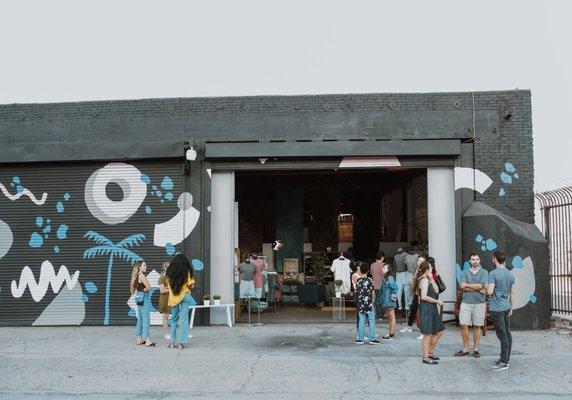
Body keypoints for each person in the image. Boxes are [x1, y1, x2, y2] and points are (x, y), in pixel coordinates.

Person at [455, 253, 488, 358]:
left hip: (479, 303)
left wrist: (468, 285)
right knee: (463, 325)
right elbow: (462, 287)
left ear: (480, 260)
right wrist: (478, 288)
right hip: (466, 303)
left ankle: (476, 349)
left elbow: (482, 285)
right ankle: (466, 348)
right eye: (473, 259)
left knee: (477, 326)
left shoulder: (484, 272)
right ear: (469, 261)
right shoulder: (464, 272)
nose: (475, 261)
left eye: (477, 259)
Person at [487, 250, 515, 372]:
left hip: (496, 308)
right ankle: (505, 359)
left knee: (502, 336)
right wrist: (511, 307)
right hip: (506, 307)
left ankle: (503, 362)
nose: (492, 259)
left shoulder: (492, 274)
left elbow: (490, 292)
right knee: (507, 334)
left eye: (493, 258)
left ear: (495, 259)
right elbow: (512, 293)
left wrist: (485, 287)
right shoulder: (510, 274)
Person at [412, 261, 445, 364]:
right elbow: (424, 296)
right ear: (427, 269)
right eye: (430, 267)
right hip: (427, 308)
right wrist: (437, 301)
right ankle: (426, 357)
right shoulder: (423, 281)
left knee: (439, 330)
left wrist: (432, 279)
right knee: (427, 334)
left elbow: (436, 291)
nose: (432, 269)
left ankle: (430, 353)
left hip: (432, 308)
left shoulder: (428, 279)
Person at [166, 254, 197, 349]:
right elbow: (192, 286)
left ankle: (172, 342)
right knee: (183, 320)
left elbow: (169, 287)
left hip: (174, 298)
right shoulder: (186, 272)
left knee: (174, 320)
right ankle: (180, 343)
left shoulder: (169, 273)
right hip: (185, 296)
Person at [130, 260, 156, 347]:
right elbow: (149, 287)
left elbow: (137, 289)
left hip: (138, 297)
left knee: (140, 319)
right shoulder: (141, 275)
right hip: (144, 298)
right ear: (139, 267)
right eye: (144, 266)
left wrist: (145, 288)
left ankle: (139, 339)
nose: (146, 267)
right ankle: (147, 340)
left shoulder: (136, 276)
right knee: (146, 319)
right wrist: (146, 288)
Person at [400, 254, 426, 336]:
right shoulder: (416, 269)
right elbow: (413, 280)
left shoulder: (424, 271)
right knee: (413, 309)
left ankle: (424, 331)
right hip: (416, 293)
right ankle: (409, 326)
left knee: (422, 312)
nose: (419, 262)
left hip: (422, 294)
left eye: (422, 261)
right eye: (418, 261)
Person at [354, 261, 380, 345]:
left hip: (360, 303)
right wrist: (372, 301)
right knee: (371, 320)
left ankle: (360, 339)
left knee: (361, 320)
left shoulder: (358, 280)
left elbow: (357, 292)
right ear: (368, 271)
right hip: (368, 302)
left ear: (360, 270)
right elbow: (373, 292)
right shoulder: (370, 280)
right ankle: (372, 339)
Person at [380, 263, 398, 340]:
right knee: (390, 317)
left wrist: (392, 297)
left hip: (389, 300)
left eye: (384, 268)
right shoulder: (387, 278)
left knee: (391, 317)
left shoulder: (390, 278)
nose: (382, 269)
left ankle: (391, 334)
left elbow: (395, 288)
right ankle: (390, 332)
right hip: (386, 300)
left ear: (388, 270)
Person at [369, 251, 386, 319]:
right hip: (383, 285)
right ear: (382, 258)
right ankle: (381, 315)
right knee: (382, 300)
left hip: (375, 285)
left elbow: (371, 273)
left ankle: (378, 314)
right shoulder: (384, 265)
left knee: (376, 300)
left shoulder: (372, 265)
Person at [158, 261, 172, 339]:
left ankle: (181, 333)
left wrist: (169, 288)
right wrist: (171, 289)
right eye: (167, 267)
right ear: (164, 268)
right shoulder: (162, 278)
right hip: (165, 299)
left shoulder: (172, 277)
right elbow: (162, 290)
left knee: (178, 316)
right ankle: (166, 334)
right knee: (165, 316)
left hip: (173, 299)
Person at [393, 248, 409, 314]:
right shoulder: (406, 255)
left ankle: (400, 306)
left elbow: (394, 266)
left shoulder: (395, 256)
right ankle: (406, 307)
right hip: (404, 273)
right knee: (406, 292)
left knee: (399, 292)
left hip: (399, 274)